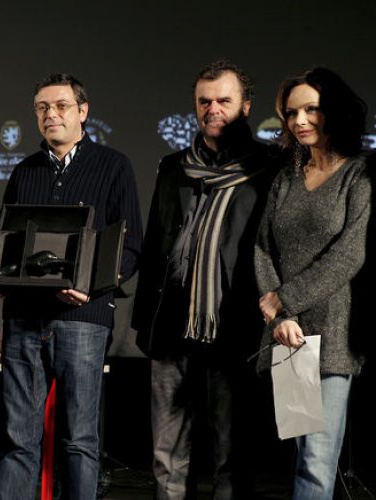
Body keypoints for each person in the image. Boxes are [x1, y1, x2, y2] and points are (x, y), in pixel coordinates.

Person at [132, 59, 276, 499]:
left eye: (224, 101)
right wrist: (144, 326)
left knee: (231, 456)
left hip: (234, 331)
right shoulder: (173, 167)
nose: (213, 109)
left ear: (245, 107)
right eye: (204, 101)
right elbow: (155, 246)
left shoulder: (269, 168)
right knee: (167, 457)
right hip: (171, 330)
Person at [0, 73, 143, 500]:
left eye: (61, 106)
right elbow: (6, 241)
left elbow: (130, 246)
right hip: (24, 319)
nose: (51, 114)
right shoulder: (24, 170)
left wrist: (93, 288)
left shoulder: (114, 166)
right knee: (18, 439)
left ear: (83, 111)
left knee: (79, 439)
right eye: (42, 107)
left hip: (83, 317)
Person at [255, 67, 370, 500]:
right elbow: (263, 248)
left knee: (318, 465)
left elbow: (350, 253)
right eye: (291, 113)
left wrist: (284, 299)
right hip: (289, 336)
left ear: (333, 111)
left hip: (332, 337)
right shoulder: (286, 178)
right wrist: (280, 317)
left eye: (311, 109)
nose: (299, 120)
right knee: (304, 459)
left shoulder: (359, 174)